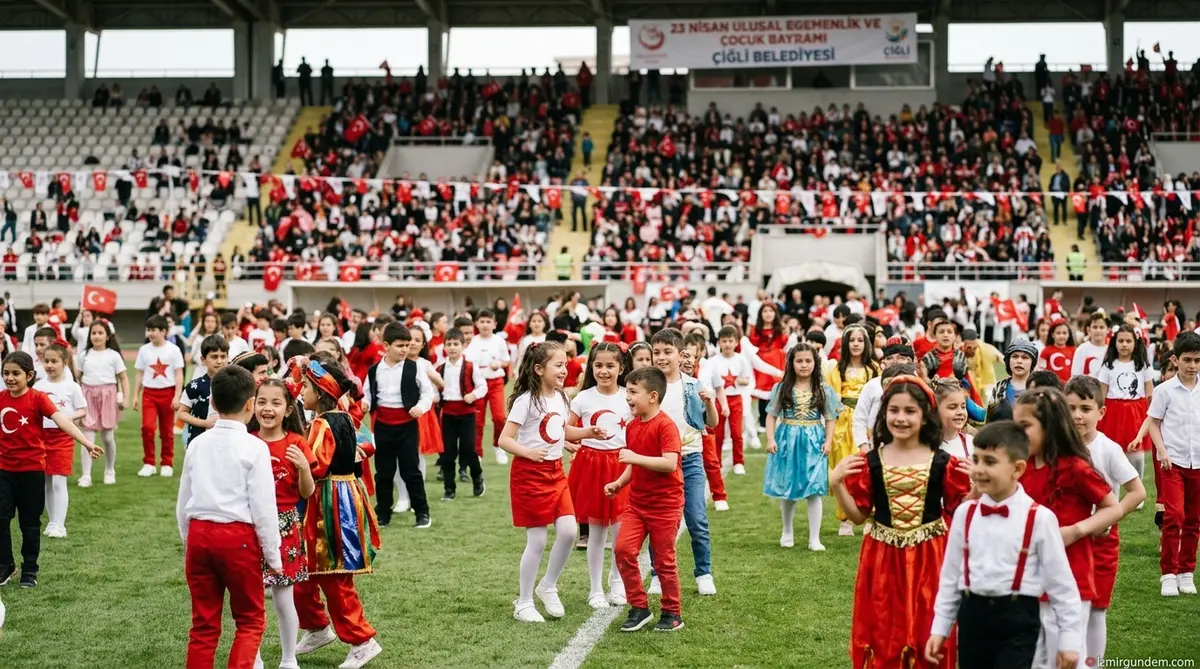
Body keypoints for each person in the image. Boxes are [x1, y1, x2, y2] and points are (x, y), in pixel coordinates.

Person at [830, 374, 972, 669]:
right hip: (882, 561)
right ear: (884, 414)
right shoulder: (871, 461)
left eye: (910, 411)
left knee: (929, 628)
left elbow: (963, 508)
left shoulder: (943, 462)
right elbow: (858, 516)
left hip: (930, 558)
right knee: (884, 631)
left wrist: (979, 487)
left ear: (924, 416)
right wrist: (837, 484)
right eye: (894, 410)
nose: (901, 418)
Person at [926, 421, 1083, 669]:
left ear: (1017, 468)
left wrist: (1070, 640)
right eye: (976, 460)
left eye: (990, 462)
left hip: (1018, 619)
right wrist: (940, 627)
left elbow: (1062, 585)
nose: (978, 469)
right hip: (972, 617)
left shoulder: (1039, 518)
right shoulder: (965, 514)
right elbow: (950, 577)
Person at [175, 365, 281, 669]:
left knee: (203, 626)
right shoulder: (255, 447)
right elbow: (264, 507)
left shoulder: (197, 444)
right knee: (249, 621)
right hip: (238, 538)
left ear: (212, 403)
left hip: (199, 534)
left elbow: (184, 500)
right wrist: (273, 556)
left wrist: (188, 540)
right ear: (251, 405)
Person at [1012, 388, 1123, 662]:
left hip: (1069, 577)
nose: (1017, 433)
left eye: (1025, 426)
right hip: (1026, 579)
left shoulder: (1075, 467)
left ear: (1049, 427)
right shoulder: (1020, 466)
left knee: (1065, 657)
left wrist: (1076, 531)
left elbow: (1113, 507)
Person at [498, 341, 604, 622]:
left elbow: (559, 427)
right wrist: (529, 452)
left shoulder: (560, 397)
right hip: (529, 475)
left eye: (565, 364)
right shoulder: (525, 401)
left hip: (556, 473)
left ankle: (547, 586)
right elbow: (504, 439)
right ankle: (523, 602)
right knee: (538, 539)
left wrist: (585, 433)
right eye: (558, 365)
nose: (564, 369)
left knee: (569, 531)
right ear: (538, 368)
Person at [293, 357, 383, 669]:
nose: (301, 391)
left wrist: (293, 456)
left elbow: (315, 465)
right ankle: (317, 627)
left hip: (330, 503)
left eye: (305, 386)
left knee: (333, 575)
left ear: (319, 392)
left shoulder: (321, 423)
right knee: (306, 570)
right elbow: (366, 443)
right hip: (339, 496)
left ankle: (362, 640)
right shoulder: (342, 417)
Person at [1064, 376, 1146, 664]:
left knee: (1097, 609)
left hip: (1101, 541)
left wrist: (1110, 517)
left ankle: (1093, 663)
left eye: (1085, 408)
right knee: (1064, 605)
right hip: (1064, 539)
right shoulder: (1056, 446)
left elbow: (1137, 491)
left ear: (1101, 412)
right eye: (1071, 407)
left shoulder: (1108, 449)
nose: (1077, 415)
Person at [607, 366, 685, 632]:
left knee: (663, 560)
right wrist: (618, 483)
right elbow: (634, 464)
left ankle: (672, 612)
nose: (627, 397)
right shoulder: (632, 425)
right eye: (626, 392)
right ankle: (639, 608)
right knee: (623, 550)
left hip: (665, 506)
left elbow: (669, 464)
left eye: (632, 392)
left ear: (652, 396)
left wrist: (634, 458)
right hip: (637, 505)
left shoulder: (666, 426)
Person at [250, 378, 317, 669]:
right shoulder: (246, 441)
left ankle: (289, 659)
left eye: (276, 403)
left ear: (289, 409)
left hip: (285, 524)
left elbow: (307, 492)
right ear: (252, 406)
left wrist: (303, 467)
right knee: (249, 599)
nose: (268, 409)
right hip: (248, 525)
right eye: (262, 402)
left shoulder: (297, 443)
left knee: (283, 596)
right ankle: (253, 657)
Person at [649, 328, 719, 597]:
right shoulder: (649, 385)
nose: (661, 358)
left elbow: (710, 423)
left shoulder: (693, 385)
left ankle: (704, 572)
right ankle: (657, 573)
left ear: (681, 355)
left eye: (668, 352)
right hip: (657, 461)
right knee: (659, 521)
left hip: (689, 459)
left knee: (696, 518)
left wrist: (710, 404)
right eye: (657, 352)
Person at [567, 342, 632, 608]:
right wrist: (585, 434)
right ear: (590, 367)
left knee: (620, 531)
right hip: (591, 466)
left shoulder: (629, 396)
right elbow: (565, 430)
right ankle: (595, 589)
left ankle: (617, 583)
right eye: (598, 365)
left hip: (620, 464)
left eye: (610, 366)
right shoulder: (583, 398)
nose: (603, 371)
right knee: (596, 532)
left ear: (621, 367)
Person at [764, 345, 839, 550]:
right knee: (789, 488)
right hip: (788, 439)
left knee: (814, 489)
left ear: (815, 364)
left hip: (814, 440)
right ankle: (787, 531)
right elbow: (771, 415)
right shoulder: (782, 389)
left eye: (808, 361)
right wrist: (771, 439)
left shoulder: (823, 390)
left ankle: (814, 538)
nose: (804, 365)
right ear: (791, 363)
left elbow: (830, 418)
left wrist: (828, 441)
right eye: (799, 361)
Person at [363, 323, 434, 529]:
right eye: (400, 345)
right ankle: (383, 513)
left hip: (407, 427)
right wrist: (366, 403)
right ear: (386, 345)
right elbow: (368, 393)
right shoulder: (374, 370)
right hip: (383, 426)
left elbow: (427, 393)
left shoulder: (415, 368)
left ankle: (422, 512)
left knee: (410, 470)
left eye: (407, 345)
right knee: (384, 472)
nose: (405, 349)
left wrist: (420, 407)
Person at [1148, 331, 1200, 597]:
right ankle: (1168, 573)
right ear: (1175, 360)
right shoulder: (1163, 390)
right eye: (1188, 360)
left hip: (1198, 464)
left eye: (1197, 360)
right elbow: (1153, 424)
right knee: (1174, 517)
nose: (1193, 366)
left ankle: (1186, 572)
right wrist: (1162, 451)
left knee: (1194, 520)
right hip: (1173, 463)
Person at [827, 324, 880, 536]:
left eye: (860, 340)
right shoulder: (837, 369)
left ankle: (871, 514)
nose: (856, 344)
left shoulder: (874, 368)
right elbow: (833, 397)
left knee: (869, 468)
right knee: (846, 468)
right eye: (852, 340)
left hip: (868, 422)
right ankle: (845, 519)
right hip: (843, 424)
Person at [32, 342, 86, 540]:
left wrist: (68, 418)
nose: (50, 365)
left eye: (54, 361)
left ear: (65, 362)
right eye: (46, 361)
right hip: (41, 438)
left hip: (63, 437)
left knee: (58, 481)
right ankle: (52, 521)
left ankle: (60, 524)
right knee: (45, 481)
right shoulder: (38, 386)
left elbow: (82, 409)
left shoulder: (72, 386)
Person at [1097, 324, 1154, 477]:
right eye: (1121, 341)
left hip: (1136, 411)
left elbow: (1150, 392)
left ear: (1135, 343)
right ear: (1114, 342)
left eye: (1128, 341)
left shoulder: (1142, 365)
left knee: (1136, 451)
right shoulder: (1108, 366)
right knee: (1111, 449)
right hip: (1113, 411)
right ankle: (1111, 486)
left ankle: (1137, 488)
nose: (1124, 344)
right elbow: (1102, 393)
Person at [76, 318, 127, 486]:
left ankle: (109, 470)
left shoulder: (113, 355)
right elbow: (77, 377)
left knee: (107, 437)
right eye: (94, 333)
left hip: (108, 395)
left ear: (107, 336)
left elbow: (123, 378)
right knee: (87, 437)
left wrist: (124, 397)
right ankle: (86, 475)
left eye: (100, 333)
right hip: (88, 394)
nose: (96, 336)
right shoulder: (84, 355)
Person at [133, 315, 185, 477]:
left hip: (168, 392)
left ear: (163, 331)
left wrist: (177, 396)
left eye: (154, 330)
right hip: (149, 393)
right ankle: (149, 462)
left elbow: (178, 374)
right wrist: (136, 395)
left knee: (167, 431)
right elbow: (139, 374)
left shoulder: (173, 350)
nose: (151, 333)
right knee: (147, 428)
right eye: (149, 330)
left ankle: (167, 463)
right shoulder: (144, 350)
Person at [436, 329, 486, 497]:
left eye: (456, 344)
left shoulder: (470, 366)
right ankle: (449, 488)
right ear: (443, 346)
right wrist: (435, 398)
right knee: (448, 452)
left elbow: (482, 386)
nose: (452, 348)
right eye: (448, 344)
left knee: (469, 449)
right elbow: (436, 390)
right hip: (448, 414)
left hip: (467, 414)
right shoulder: (440, 368)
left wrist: (473, 395)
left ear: (463, 346)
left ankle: (477, 477)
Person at [852, 338, 916, 450]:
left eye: (901, 358)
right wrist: (864, 446)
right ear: (883, 363)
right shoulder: (872, 385)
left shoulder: (918, 385)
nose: (895, 361)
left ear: (910, 362)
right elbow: (859, 419)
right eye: (890, 358)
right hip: (875, 446)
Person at [465, 310, 511, 465]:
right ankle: (477, 452)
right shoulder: (472, 341)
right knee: (477, 420)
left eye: (488, 322)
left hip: (495, 382)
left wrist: (498, 364)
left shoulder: (499, 341)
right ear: (476, 324)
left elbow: (506, 361)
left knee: (499, 417)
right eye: (482, 322)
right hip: (478, 383)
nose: (485, 325)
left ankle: (498, 446)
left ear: (494, 324)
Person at [710, 325, 753, 475]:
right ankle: (717, 461)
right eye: (724, 341)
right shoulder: (714, 361)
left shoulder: (741, 360)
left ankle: (738, 462)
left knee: (736, 433)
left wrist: (741, 381)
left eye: (730, 341)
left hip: (735, 399)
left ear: (736, 342)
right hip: (719, 400)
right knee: (718, 433)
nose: (727, 344)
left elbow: (747, 378)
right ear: (719, 342)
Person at [178, 335, 228, 446]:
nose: (219, 361)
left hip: (226, 443)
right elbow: (181, 413)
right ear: (203, 360)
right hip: (199, 441)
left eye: (223, 356)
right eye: (214, 357)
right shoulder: (195, 386)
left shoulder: (234, 385)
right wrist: (204, 423)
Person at [935, 379, 974, 460]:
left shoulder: (971, 443)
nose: (960, 412)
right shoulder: (926, 446)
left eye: (963, 407)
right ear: (935, 410)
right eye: (952, 407)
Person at [1037, 318, 1077, 383]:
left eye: (1064, 333)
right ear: (1052, 335)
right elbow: (1040, 370)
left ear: (1069, 334)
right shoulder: (1046, 351)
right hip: (1051, 386)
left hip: (1069, 386)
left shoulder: (1074, 350)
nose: (1061, 336)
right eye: (1058, 333)